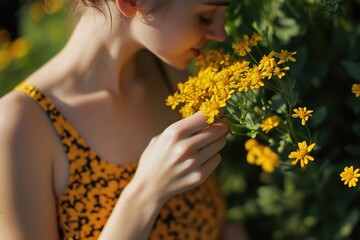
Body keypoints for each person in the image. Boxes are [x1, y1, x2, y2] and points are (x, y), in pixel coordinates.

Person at [0, 0, 247, 239]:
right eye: (204, 17)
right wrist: (145, 194)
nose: (220, 33)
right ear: (130, 1)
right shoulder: (19, 123)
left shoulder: (174, 77)